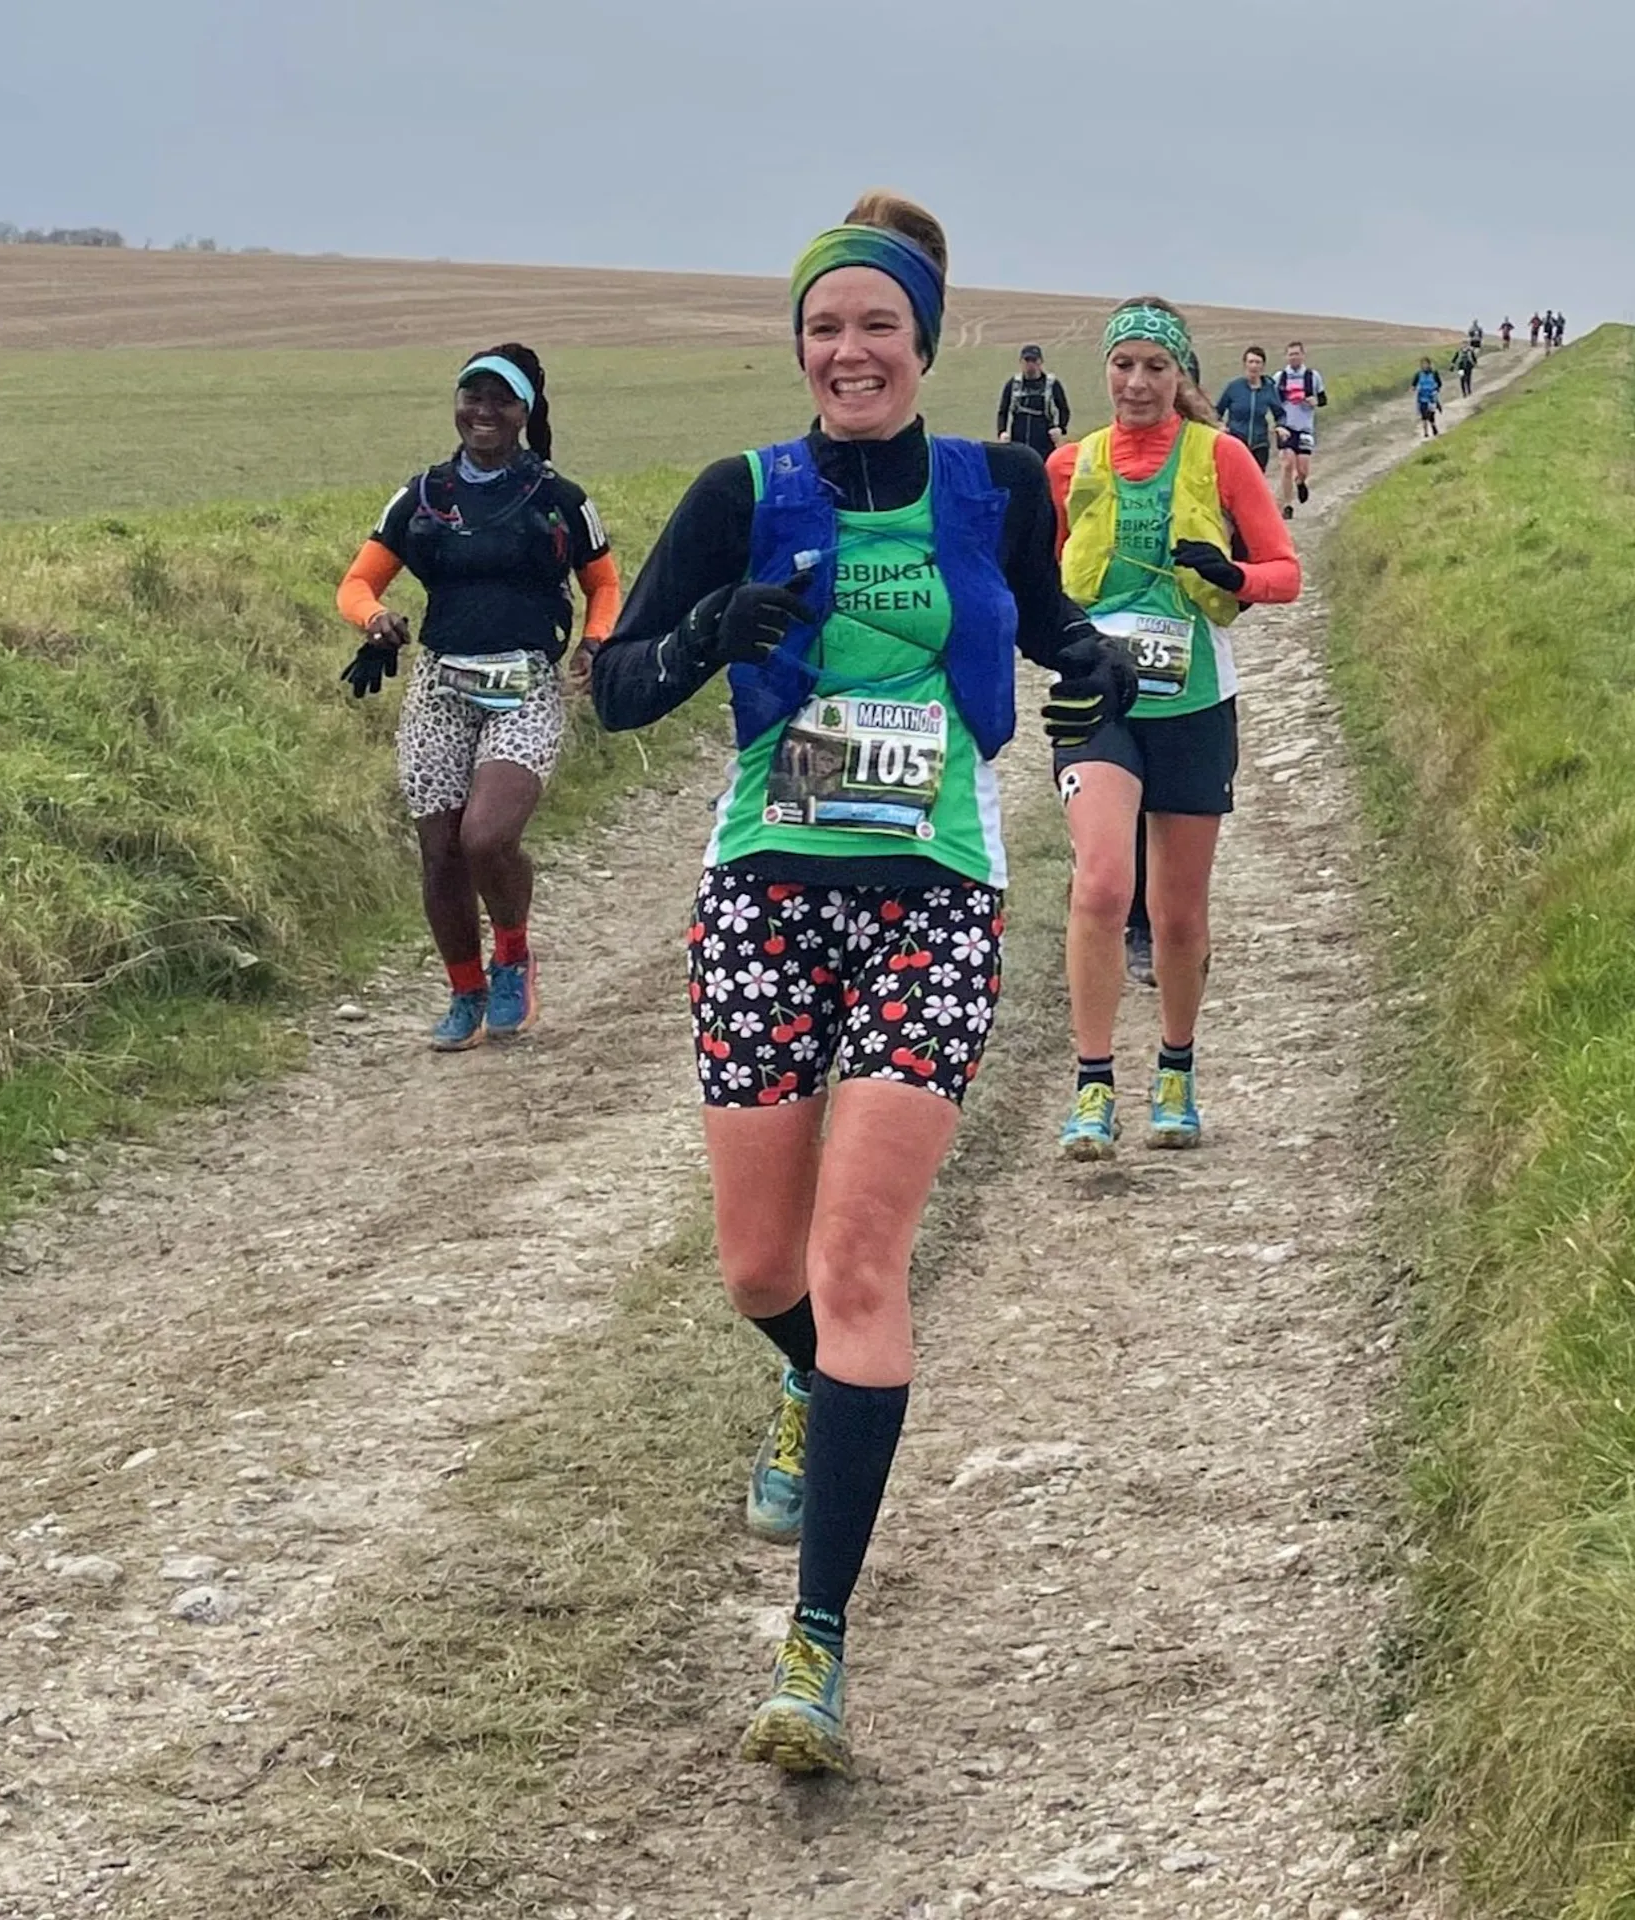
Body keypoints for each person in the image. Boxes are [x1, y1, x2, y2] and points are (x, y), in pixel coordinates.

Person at [588, 190, 1135, 1776]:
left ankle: (812, 1655)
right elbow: (617, 691)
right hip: (764, 888)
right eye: (825, 329)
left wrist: (1088, 659)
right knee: (758, 1272)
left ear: (925, 346)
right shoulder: (739, 491)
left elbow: (1042, 628)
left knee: (861, 1265)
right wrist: (710, 629)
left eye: (877, 328)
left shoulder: (998, 485)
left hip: (935, 896)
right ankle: (819, 1395)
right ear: (801, 348)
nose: (850, 353)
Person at [1047, 296, 1301, 1159]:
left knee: (1179, 912)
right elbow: (1039, 586)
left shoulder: (1220, 455)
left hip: (1193, 699)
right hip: (1100, 704)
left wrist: (1231, 571)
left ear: (1181, 375)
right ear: (1106, 371)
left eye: (1156, 367)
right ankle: (1091, 1089)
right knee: (1102, 885)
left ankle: (1176, 1070)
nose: (1138, 383)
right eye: (1124, 365)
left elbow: (1285, 573)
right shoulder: (1070, 464)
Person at [335, 345, 620, 1050]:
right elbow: (356, 584)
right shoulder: (424, 495)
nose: (483, 412)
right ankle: (465, 990)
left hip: (525, 683)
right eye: (473, 396)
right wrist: (375, 621)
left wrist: (596, 641)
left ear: (527, 412)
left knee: (486, 837)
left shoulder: (559, 500)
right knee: (440, 850)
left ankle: (514, 957)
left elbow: (603, 583)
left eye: (502, 400)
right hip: (440, 683)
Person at [1271, 341, 1328, 521]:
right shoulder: (1280, 377)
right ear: (1286, 357)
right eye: (1290, 354)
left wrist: (1314, 402)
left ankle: (1300, 482)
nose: (1294, 357)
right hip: (1286, 426)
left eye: (1297, 354)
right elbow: (1272, 400)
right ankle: (1287, 505)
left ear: (1303, 355)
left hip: (1305, 428)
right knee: (1287, 465)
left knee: (1302, 469)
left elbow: (1323, 398)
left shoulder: (1312, 376)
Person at [1213, 345, 1287, 473]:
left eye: (1258, 362)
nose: (1254, 366)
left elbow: (1280, 414)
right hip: (1236, 442)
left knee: (1256, 483)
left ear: (1263, 366)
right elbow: (1216, 412)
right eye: (1251, 362)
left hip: (1260, 444)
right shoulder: (1233, 387)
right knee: (1236, 480)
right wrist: (1220, 425)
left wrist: (1280, 426)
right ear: (1245, 364)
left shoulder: (1269, 389)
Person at [997, 344, 1070, 456]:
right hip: (1018, 443)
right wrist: (1002, 432)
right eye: (1027, 360)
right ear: (1021, 362)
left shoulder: (1051, 384)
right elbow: (1003, 411)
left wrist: (1060, 428)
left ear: (1040, 361)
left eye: (1034, 360)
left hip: (1044, 444)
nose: (1030, 364)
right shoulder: (1013, 384)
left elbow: (1064, 409)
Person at [1413, 357, 1444, 436]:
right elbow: (1413, 385)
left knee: (1430, 414)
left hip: (1432, 398)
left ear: (1429, 365)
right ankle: (1426, 433)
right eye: (1423, 364)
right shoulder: (1418, 374)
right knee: (1423, 416)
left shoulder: (1434, 373)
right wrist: (1416, 388)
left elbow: (1439, 384)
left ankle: (1433, 426)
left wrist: (1436, 388)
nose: (1425, 366)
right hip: (1422, 398)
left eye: (1426, 364)